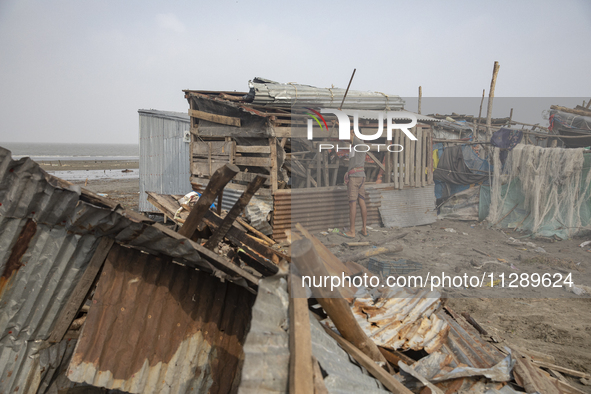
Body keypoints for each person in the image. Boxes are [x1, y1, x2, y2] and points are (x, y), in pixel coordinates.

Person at [342, 129, 368, 238]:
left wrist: (341, 125)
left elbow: (349, 137)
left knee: (352, 203)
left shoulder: (359, 144)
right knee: (361, 201)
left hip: (355, 178)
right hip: (360, 176)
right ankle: (364, 229)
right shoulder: (357, 147)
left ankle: (352, 231)